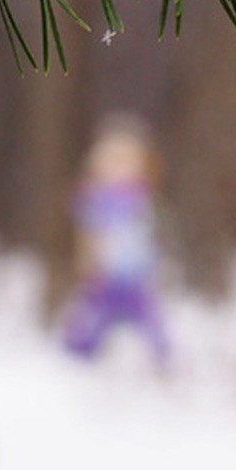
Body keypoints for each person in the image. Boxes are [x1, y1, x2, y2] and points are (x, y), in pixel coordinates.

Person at [61, 119, 171, 367]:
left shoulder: (143, 197)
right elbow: (86, 226)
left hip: (136, 273)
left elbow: (150, 232)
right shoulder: (97, 199)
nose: (121, 170)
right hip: (106, 272)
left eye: (127, 162)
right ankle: (77, 354)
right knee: (93, 317)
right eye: (114, 162)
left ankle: (163, 356)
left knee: (149, 318)